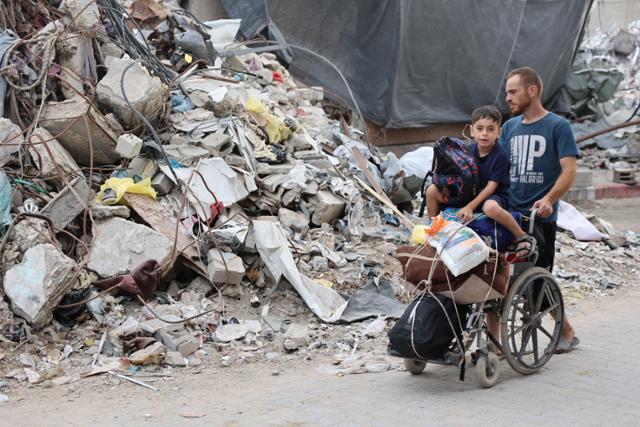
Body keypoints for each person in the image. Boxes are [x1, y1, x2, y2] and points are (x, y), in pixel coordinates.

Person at [498, 66, 580, 354]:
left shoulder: (558, 127)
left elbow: (569, 171)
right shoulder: (509, 128)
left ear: (532, 91)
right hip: (508, 217)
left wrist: (549, 199)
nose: (507, 97)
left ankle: (566, 331)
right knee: (500, 277)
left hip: (539, 219)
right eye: (507, 91)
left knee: (535, 281)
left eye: (513, 91)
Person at [425, 105, 536, 255]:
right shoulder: (466, 151)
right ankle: (433, 229)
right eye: (479, 128)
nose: (484, 134)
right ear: (472, 130)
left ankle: (521, 236)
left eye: (490, 129)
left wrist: (470, 207)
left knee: (490, 208)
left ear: (499, 132)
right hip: (468, 193)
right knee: (431, 190)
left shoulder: (500, 156)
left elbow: (491, 187)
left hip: (492, 196)